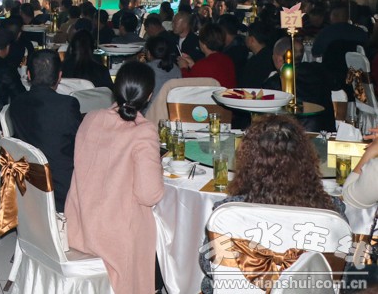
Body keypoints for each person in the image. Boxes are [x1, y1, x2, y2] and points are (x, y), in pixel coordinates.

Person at [198, 115, 345, 294]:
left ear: (249, 163)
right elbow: (341, 269)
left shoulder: (229, 212)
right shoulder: (333, 211)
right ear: (306, 161)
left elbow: (208, 265)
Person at [65, 61, 164, 294]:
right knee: (167, 235)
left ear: (115, 89)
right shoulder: (143, 131)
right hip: (114, 238)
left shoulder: (90, 118)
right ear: (149, 96)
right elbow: (149, 195)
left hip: (78, 225)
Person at [8, 50, 81, 208]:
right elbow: (80, 141)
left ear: (28, 75)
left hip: (26, 184)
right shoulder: (67, 105)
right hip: (61, 189)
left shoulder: (16, 103)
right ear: (59, 76)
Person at [263, 38, 336, 133]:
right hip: (326, 134)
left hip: (294, 137)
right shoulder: (320, 71)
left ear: (278, 58)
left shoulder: (274, 83)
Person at [178, 23, 237, 88]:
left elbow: (188, 86)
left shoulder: (204, 64)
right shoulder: (228, 60)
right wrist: (193, 65)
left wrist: (183, 68)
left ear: (203, 44)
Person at [143, 33, 181, 111]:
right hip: (173, 111)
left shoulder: (145, 69)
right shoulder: (176, 69)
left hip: (150, 113)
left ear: (149, 53)